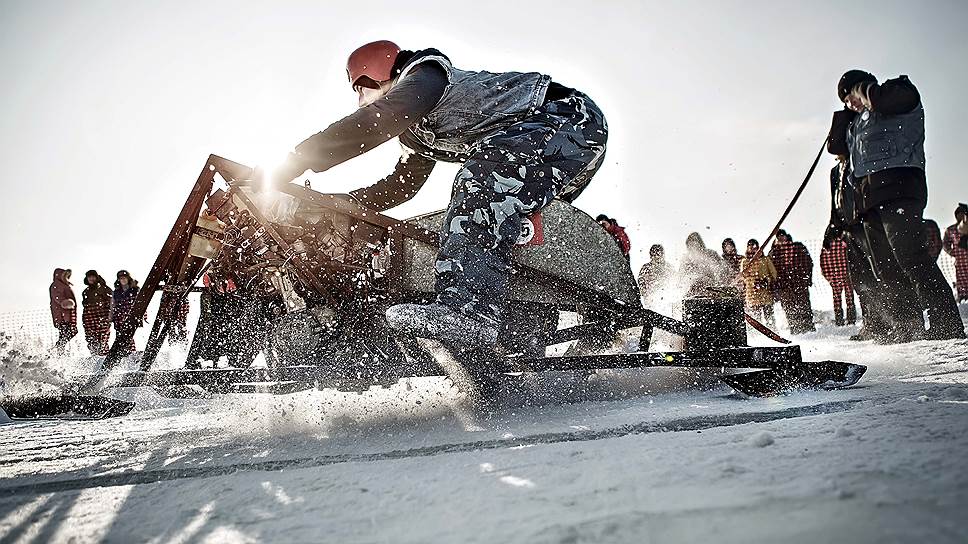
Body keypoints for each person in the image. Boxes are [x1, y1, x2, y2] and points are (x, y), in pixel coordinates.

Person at [267, 41, 608, 350]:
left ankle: (470, 312)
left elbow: (379, 120)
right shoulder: (417, 133)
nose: (368, 99)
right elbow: (403, 184)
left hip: (568, 117)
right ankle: (524, 329)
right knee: (504, 222)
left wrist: (297, 160)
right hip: (549, 149)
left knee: (481, 177)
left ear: (382, 72)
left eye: (369, 89)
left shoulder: (426, 74)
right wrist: (339, 205)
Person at [828, 70, 964, 340]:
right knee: (885, 268)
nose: (849, 103)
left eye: (849, 96)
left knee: (910, 256)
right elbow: (836, 147)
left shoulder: (898, 92)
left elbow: (884, 100)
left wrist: (863, 91)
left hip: (900, 186)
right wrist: (844, 115)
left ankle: (946, 323)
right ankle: (907, 323)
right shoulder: (856, 122)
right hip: (869, 199)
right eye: (844, 101)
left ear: (861, 86)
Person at [769, 230, 815, 334]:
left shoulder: (798, 248)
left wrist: (806, 278)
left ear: (786, 237)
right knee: (789, 308)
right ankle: (795, 328)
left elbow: (808, 263)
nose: (781, 239)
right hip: (784, 285)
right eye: (778, 237)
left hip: (799, 282)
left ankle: (808, 327)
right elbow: (772, 270)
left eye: (782, 236)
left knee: (804, 306)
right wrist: (776, 285)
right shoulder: (774, 252)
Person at [740, 239, 778, 326]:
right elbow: (744, 277)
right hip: (752, 294)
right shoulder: (744, 261)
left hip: (765, 294)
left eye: (755, 247)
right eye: (751, 247)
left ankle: (773, 332)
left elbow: (774, 274)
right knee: (757, 319)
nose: (753, 249)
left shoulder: (765, 260)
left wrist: (766, 281)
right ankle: (757, 336)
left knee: (769, 318)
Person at [820, 239, 857, 326]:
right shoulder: (842, 243)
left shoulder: (828, 245)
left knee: (841, 298)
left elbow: (823, 262)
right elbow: (823, 262)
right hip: (843, 274)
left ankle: (843, 320)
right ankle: (847, 320)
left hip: (839, 275)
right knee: (847, 297)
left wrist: (828, 276)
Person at [678, 232, 727, 298]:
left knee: (703, 281)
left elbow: (721, 267)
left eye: (695, 243)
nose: (694, 246)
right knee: (694, 282)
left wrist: (720, 281)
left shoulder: (710, 253)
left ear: (700, 243)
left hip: (709, 282)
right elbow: (681, 274)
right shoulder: (686, 258)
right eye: (691, 244)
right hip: (692, 284)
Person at [81, 270, 113, 356]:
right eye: (89, 277)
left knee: (103, 339)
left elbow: (111, 303)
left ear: (96, 277)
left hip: (102, 317)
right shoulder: (85, 292)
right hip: (89, 319)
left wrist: (109, 317)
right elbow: (85, 307)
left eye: (93, 276)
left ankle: (104, 357)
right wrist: (85, 321)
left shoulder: (104, 289)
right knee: (91, 339)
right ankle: (94, 357)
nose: (91, 279)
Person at [943, 203, 968, 302]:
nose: (961, 216)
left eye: (963, 214)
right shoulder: (951, 230)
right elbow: (945, 243)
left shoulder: (965, 227)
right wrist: (951, 252)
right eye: (959, 214)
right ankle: (963, 297)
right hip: (960, 260)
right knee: (962, 280)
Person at [49, 268, 77, 355]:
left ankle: (59, 350)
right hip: (62, 315)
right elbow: (57, 296)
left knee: (68, 333)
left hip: (68, 314)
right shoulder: (56, 285)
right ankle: (59, 349)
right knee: (68, 332)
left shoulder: (65, 285)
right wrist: (64, 302)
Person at [112, 270, 140, 353]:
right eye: (121, 278)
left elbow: (140, 303)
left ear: (128, 278)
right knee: (120, 336)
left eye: (125, 278)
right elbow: (113, 305)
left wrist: (143, 315)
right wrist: (111, 317)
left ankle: (132, 352)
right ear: (119, 280)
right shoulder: (116, 292)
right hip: (119, 317)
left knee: (129, 335)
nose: (123, 280)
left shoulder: (134, 290)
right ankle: (121, 353)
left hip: (130, 316)